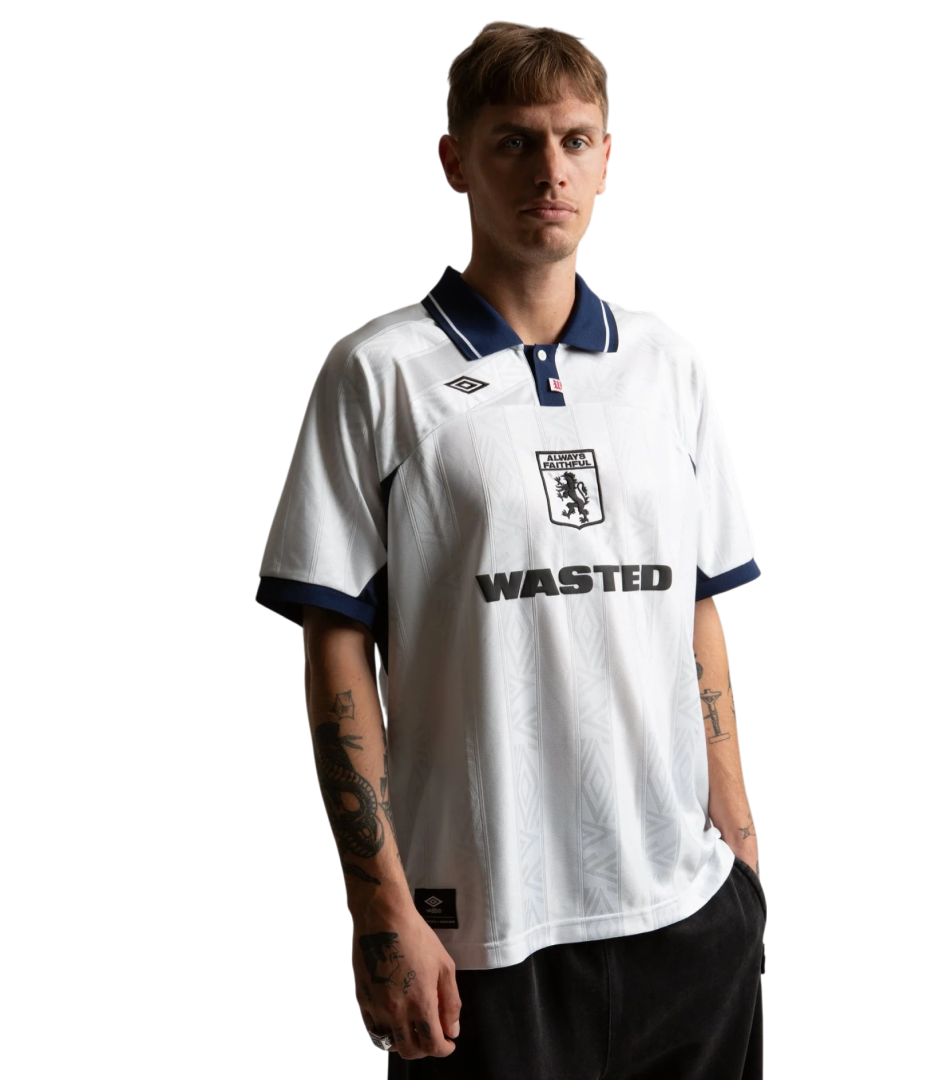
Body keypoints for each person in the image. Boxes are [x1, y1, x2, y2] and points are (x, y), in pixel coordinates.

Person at [255, 21, 766, 1079]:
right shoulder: (379, 374)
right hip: (482, 937)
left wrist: (742, 850)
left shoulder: (667, 368)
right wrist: (381, 908)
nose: (550, 170)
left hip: (686, 920)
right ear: (456, 160)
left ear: (607, 158)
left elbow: (694, 610)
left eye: (575, 140)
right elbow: (336, 648)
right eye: (515, 141)